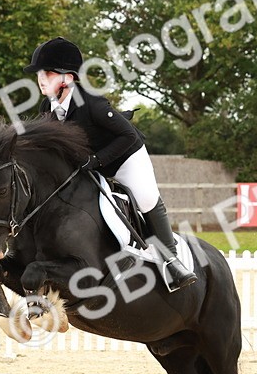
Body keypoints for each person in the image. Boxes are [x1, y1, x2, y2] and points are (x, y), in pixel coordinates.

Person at [24, 36, 196, 291]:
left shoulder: (92, 102)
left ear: (68, 78)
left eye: (47, 73)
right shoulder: (47, 106)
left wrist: (97, 160)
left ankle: (171, 260)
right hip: (89, 163)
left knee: (146, 197)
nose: (41, 78)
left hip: (125, 156)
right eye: (39, 73)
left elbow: (128, 136)